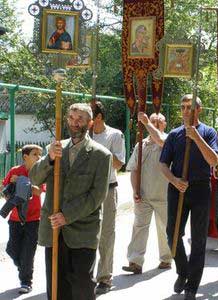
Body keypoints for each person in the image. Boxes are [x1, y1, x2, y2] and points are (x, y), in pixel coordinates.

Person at [30, 103, 112, 300]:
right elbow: (34, 178)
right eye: (72, 119)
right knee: (56, 288)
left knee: (82, 287)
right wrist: (49, 158)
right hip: (54, 231)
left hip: (84, 232)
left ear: (90, 123)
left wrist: (67, 216)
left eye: (80, 119)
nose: (75, 124)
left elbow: (97, 196)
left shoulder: (101, 155)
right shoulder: (55, 149)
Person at [159, 94, 218, 300]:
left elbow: (214, 160)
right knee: (172, 234)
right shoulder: (174, 135)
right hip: (178, 188)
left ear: (199, 109)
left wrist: (196, 138)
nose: (185, 111)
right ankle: (182, 271)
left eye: (190, 107)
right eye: (183, 107)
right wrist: (175, 181)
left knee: (199, 238)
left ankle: (192, 285)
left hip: (200, 188)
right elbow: (163, 164)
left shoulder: (208, 132)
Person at [122, 112, 172, 274]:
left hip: (164, 194)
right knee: (139, 227)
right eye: (152, 121)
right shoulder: (140, 145)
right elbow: (134, 170)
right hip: (144, 195)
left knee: (165, 228)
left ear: (164, 124)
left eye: (159, 121)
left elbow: (161, 141)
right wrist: (135, 191)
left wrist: (146, 124)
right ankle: (135, 262)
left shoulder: (169, 140)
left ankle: (166, 258)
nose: (156, 123)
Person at [91, 101, 125, 295]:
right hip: (84, 191)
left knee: (106, 234)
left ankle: (104, 278)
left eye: (88, 114)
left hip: (107, 190)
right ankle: (85, 275)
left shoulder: (114, 135)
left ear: (98, 117)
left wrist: (96, 150)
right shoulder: (81, 136)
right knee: (85, 234)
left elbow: (119, 163)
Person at [2, 144, 44, 294]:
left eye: (40, 155)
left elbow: (39, 192)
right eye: (35, 154)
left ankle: (26, 281)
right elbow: (5, 191)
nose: (39, 157)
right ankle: (23, 266)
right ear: (25, 157)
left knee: (28, 252)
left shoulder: (40, 172)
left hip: (33, 219)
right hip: (15, 219)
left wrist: (23, 181)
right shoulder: (14, 170)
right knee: (12, 249)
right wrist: (13, 185)